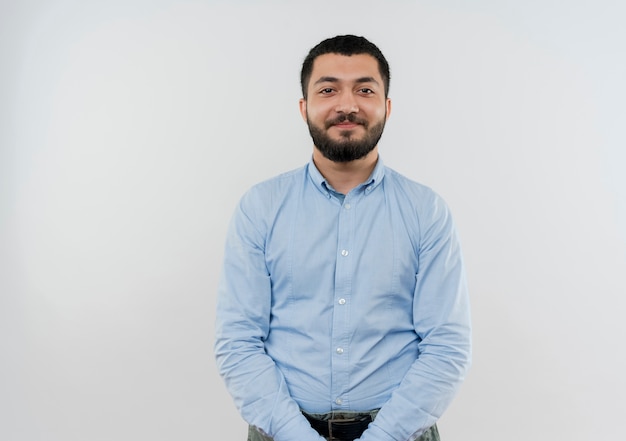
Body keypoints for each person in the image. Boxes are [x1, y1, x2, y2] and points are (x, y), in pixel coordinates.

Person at [214, 35, 471, 441]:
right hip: (280, 431)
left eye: (365, 90)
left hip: (401, 432)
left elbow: (446, 346)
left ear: (386, 107)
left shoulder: (426, 211)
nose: (347, 105)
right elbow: (238, 341)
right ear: (304, 108)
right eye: (328, 89)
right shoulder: (260, 207)